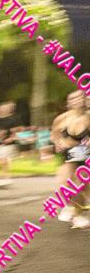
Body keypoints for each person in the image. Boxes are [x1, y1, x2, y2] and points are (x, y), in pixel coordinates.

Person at [50, 90, 90, 229]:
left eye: (80, 97)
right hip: (66, 153)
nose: (77, 100)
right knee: (65, 183)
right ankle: (70, 207)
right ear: (68, 102)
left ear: (84, 100)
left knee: (82, 187)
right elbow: (54, 134)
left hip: (83, 153)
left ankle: (77, 216)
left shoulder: (88, 118)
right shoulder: (62, 119)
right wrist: (58, 142)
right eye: (73, 98)